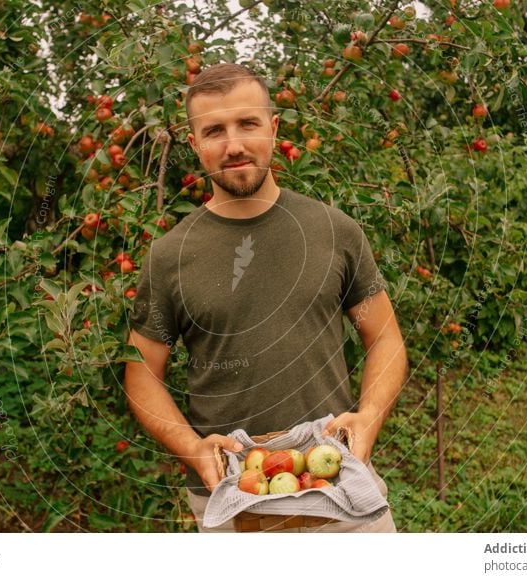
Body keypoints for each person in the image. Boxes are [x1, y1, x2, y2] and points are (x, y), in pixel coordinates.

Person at [123, 63, 407, 532]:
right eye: (214, 130)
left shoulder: (333, 231)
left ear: (273, 129)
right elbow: (141, 374)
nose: (233, 145)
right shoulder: (169, 255)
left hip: (338, 484)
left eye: (247, 124)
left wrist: (370, 415)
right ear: (194, 145)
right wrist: (193, 448)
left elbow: (386, 339)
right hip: (233, 500)